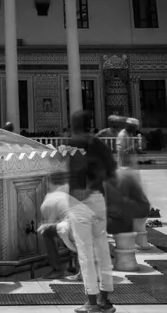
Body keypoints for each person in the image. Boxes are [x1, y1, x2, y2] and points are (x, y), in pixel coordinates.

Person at [66, 109, 117, 313]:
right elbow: (112, 169)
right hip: (98, 198)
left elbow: (75, 171)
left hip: (80, 199)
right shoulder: (98, 142)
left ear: (75, 124)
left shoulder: (74, 141)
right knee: (103, 249)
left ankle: (92, 302)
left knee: (85, 252)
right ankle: (105, 299)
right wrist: (96, 183)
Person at [38, 176, 78, 279]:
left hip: (76, 228)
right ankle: (77, 268)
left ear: (50, 185)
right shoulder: (67, 196)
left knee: (46, 231)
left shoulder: (49, 199)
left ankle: (57, 268)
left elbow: (49, 225)